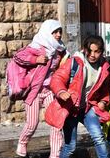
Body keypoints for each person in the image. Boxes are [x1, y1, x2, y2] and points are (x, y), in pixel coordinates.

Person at [46, 35, 110, 158]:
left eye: (97, 51)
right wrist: (61, 91)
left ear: (101, 52)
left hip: (88, 108)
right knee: (70, 146)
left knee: (99, 138)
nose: (93, 55)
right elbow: (57, 78)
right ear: (84, 49)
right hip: (71, 108)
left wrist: (103, 100)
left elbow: (104, 88)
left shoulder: (104, 67)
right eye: (90, 51)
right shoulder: (75, 63)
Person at [15, 19, 67, 158]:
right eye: (55, 32)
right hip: (34, 92)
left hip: (50, 91)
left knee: (56, 123)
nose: (58, 35)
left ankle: (55, 154)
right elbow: (18, 57)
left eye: (60, 31)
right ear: (47, 32)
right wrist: (35, 60)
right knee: (32, 124)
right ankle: (23, 142)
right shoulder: (37, 46)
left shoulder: (61, 49)